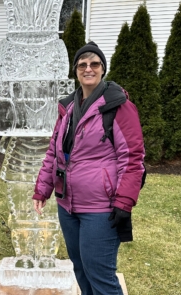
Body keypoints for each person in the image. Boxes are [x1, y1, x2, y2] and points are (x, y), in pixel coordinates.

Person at [32, 41, 145, 295]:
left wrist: (124, 202)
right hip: (67, 205)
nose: (88, 68)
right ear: (76, 70)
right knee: (81, 269)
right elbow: (54, 152)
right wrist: (42, 190)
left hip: (100, 208)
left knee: (100, 276)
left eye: (94, 63)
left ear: (103, 69)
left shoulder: (117, 105)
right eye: (82, 64)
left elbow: (133, 157)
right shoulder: (68, 107)